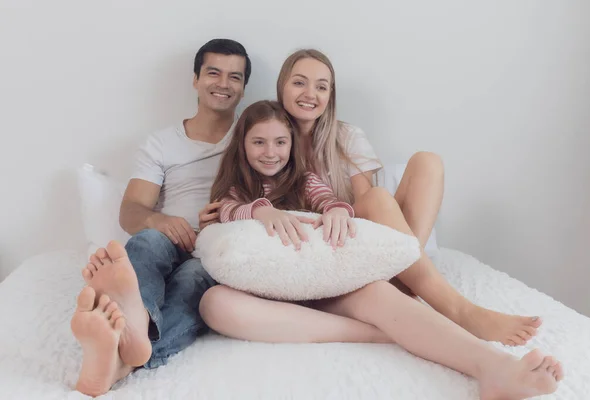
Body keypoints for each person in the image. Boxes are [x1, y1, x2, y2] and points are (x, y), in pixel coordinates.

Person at [205, 99, 563, 400]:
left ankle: (495, 368)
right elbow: (228, 210)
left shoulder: (304, 178)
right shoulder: (238, 189)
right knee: (213, 304)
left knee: (377, 293)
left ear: (292, 146)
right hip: (270, 295)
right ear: (242, 146)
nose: (271, 153)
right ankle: (377, 334)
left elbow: (331, 200)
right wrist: (262, 211)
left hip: (323, 286)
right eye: (259, 143)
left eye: (280, 142)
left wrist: (336, 211)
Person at [200, 49, 542, 347]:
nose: (310, 93)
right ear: (282, 87)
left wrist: (337, 209)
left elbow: (368, 206)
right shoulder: (268, 134)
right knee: (377, 198)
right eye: (299, 82)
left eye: (322, 86)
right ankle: (440, 301)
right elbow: (230, 202)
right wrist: (227, 215)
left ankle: (417, 286)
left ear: (331, 95)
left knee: (422, 165)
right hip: (313, 255)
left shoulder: (345, 136)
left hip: (358, 235)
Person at [69, 38, 251, 396]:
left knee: (194, 282)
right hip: (168, 238)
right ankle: (136, 324)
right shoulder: (161, 143)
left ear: (244, 88)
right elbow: (131, 210)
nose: (223, 83)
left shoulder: (253, 138)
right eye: (213, 72)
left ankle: (120, 355)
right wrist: (160, 221)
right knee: (146, 243)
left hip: (215, 248)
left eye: (235, 77)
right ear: (195, 79)